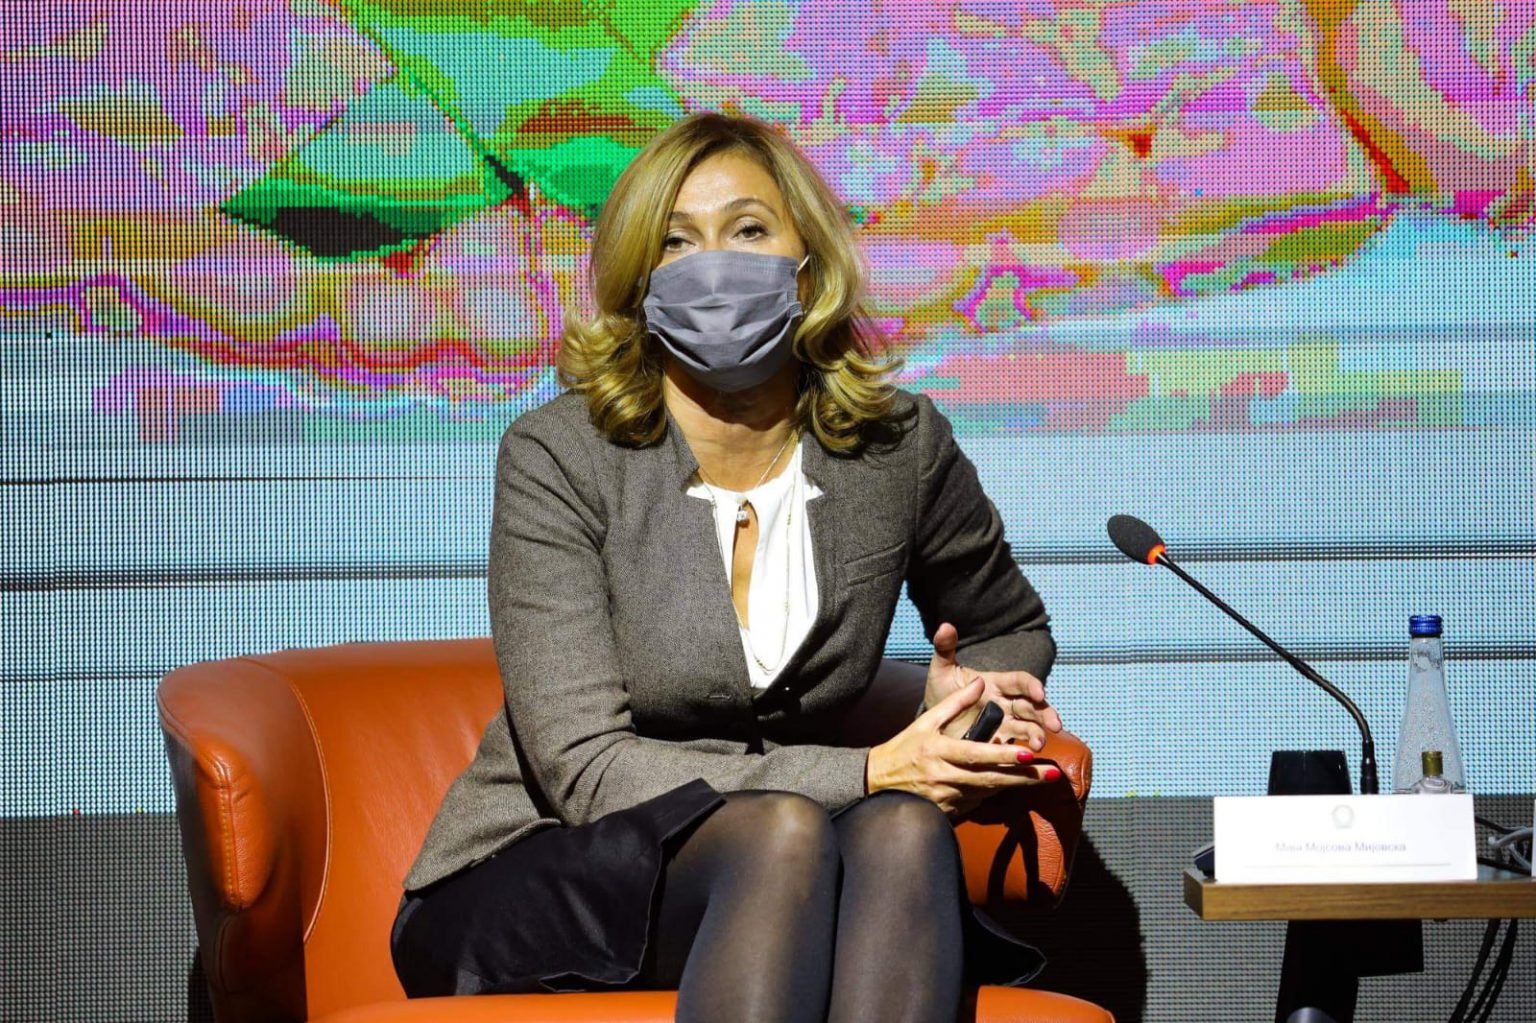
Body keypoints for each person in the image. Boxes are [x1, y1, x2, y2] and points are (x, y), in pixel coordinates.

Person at [390, 111, 1065, 1023]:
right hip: (550, 867)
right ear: (639, 279)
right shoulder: (559, 456)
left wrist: (970, 707)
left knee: (905, 831)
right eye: (677, 242)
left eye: (747, 230)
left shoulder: (896, 447)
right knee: (789, 830)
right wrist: (867, 771)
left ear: (806, 262)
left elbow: (1005, 624)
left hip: (793, 850)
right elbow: (588, 769)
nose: (714, 265)